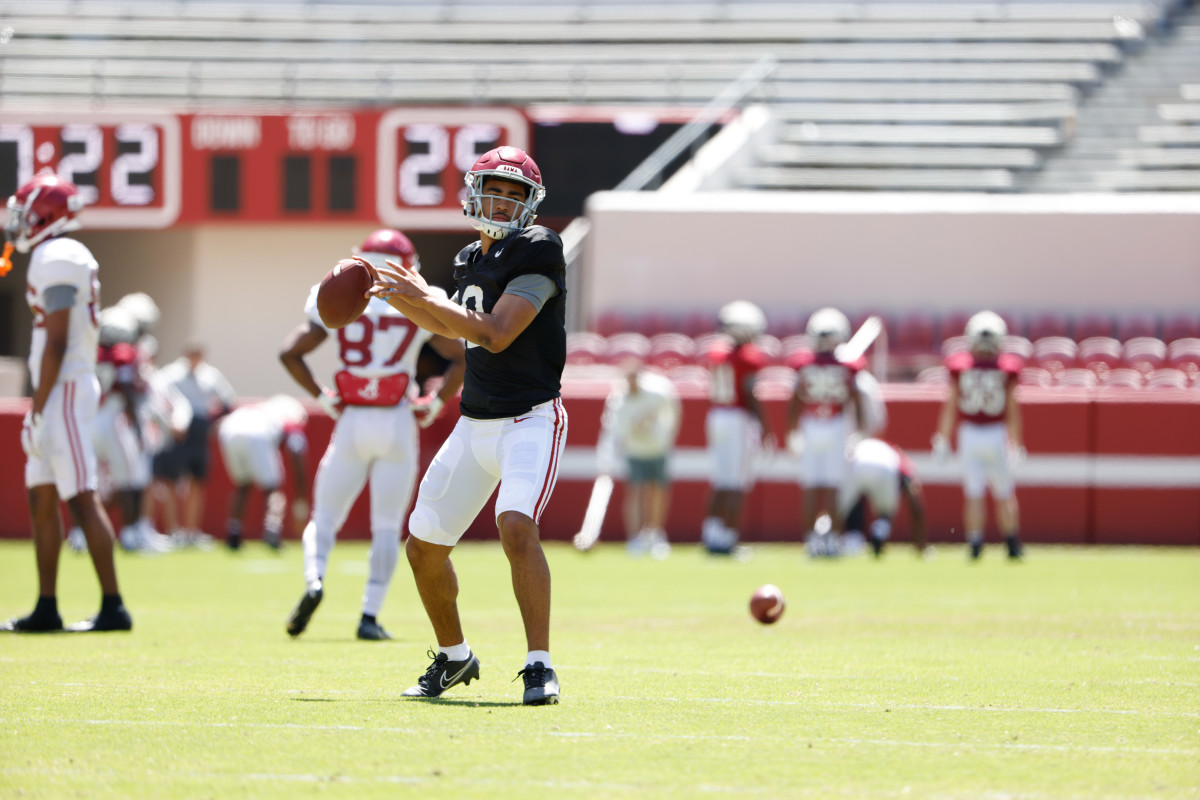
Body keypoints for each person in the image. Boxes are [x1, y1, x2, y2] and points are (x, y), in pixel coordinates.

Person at [368, 145, 566, 705]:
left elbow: (495, 334)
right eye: (495, 190)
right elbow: (450, 327)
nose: (502, 202)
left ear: (531, 204)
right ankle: (454, 657)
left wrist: (425, 296)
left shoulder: (538, 248)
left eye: (514, 194)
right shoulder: (466, 259)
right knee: (424, 545)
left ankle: (538, 665)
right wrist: (392, 297)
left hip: (529, 418)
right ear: (473, 191)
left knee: (515, 526)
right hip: (474, 422)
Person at [279, 228, 466, 642]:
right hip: (397, 418)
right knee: (386, 525)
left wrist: (324, 399)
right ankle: (369, 614)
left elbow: (289, 352)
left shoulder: (334, 292)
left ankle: (314, 580)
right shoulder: (419, 294)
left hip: (352, 421)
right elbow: (459, 358)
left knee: (324, 516)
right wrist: (434, 404)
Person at [2, 170, 132, 633]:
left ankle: (114, 606)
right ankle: (46, 605)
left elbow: (56, 341)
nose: (18, 221)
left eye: (26, 211)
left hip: (65, 389)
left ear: (46, 213)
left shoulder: (58, 255)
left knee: (80, 496)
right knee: (41, 496)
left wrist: (36, 407)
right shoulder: (58, 253)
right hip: (55, 390)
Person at [933, 310, 1026, 560]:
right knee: (1004, 491)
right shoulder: (1006, 368)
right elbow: (1012, 409)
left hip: (970, 434)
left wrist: (942, 437)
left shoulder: (961, 366)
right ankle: (1012, 545)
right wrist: (1017, 442)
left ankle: (975, 544)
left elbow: (951, 405)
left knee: (974, 493)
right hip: (996, 433)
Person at [784, 307, 865, 558]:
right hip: (835, 425)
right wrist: (860, 431)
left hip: (811, 424)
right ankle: (831, 540)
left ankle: (812, 541)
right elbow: (855, 400)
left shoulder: (803, 363)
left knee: (812, 486)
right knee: (832, 486)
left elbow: (795, 400)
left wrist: (791, 431)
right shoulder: (848, 365)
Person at [700, 300, 774, 556]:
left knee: (720, 481)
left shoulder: (716, 353)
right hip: (737, 419)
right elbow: (750, 394)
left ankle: (711, 536)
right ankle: (727, 540)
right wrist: (766, 429)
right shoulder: (749, 357)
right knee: (736, 483)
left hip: (717, 415)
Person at [595, 359, 682, 558]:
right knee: (636, 492)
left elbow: (673, 411)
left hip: (657, 450)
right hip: (635, 452)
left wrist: (665, 436)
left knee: (658, 491)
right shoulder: (620, 400)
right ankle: (635, 537)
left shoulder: (658, 392)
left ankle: (655, 534)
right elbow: (616, 430)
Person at [152, 340, 235, 544]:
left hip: (199, 429)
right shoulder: (170, 374)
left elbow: (227, 401)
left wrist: (215, 425)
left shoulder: (211, 375)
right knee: (170, 480)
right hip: (175, 430)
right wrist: (169, 423)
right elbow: (157, 397)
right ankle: (173, 530)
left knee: (197, 481)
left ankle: (191, 531)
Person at [215, 394, 310, 550]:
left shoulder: (264, 409)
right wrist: (301, 504)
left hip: (229, 428)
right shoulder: (291, 418)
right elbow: (297, 455)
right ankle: (272, 531)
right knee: (272, 488)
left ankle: (233, 533)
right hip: (258, 432)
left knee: (242, 484)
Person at [832, 437, 929, 558]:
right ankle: (879, 533)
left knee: (838, 511)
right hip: (885, 468)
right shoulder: (896, 455)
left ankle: (831, 544)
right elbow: (912, 491)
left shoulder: (865, 445)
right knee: (885, 515)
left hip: (857, 464)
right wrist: (921, 544)